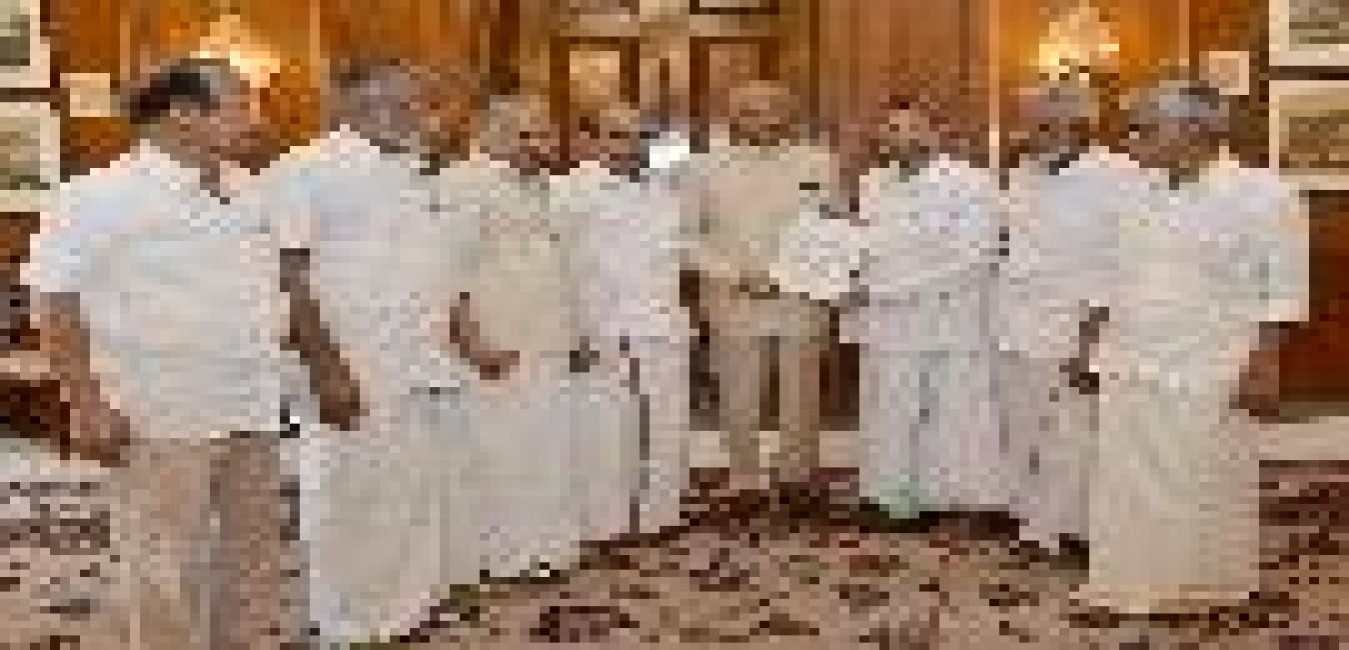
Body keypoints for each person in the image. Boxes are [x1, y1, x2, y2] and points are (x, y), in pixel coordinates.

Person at [25, 58, 306, 649]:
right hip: (160, 410)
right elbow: (53, 302)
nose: (256, 118)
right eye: (240, 103)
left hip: (253, 403)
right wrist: (85, 404)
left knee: (254, 552)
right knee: (164, 562)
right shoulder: (98, 196)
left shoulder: (248, 188)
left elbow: (270, 283)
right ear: (183, 114)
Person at [256, 60, 486, 643]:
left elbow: (434, 267)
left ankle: (408, 605)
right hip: (349, 362)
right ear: (352, 107)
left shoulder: (412, 172)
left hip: (416, 358)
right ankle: (349, 621)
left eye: (419, 103)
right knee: (348, 491)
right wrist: (326, 369)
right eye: (402, 105)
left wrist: (459, 340)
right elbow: (286, 273)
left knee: (409, 487)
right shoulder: (306, 169)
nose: (418, 116)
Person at [1079, 78, 1308, 614]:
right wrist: (1089, 339)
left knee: (1202, 476)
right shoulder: (1135, 191)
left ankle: (1203, 586)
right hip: (1130, 356)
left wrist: (1265, 365)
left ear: (1195, 130)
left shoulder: (1264, 195)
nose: (1133, 140)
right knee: (1126, 479)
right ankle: (1128, 583)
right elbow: (1110, 273)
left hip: (1210, 362)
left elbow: (1284, 289)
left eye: (1147, 129)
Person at [447, 94, 596, 579]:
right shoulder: (462, 183)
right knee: (499, 452)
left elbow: (565, 266)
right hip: (496, 343)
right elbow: (448, 274)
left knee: (549, 448)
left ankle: (547, 550)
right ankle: (502, 558)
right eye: (526, 134)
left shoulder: (543, 186)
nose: (539, 145)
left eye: (544, 134)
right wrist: (473, 343)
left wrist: (576, 333)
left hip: (548, 340)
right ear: (490, 132)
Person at [844, 102, 1007, 520]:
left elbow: (973, 259)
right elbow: (866, 246)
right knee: (887, 410)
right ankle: (888, 499)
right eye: (891, 129)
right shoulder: (873, 182)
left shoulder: (971, 183)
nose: (902, 138)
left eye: (912, 128)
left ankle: (945, 501)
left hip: (946, 320)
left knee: (947, 415)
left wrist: (885, 291)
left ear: (937, 131)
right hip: (883, 323)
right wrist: (840, 269)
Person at [998, 80, 1137, 557]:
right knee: (1023, 430)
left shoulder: (1119, 175)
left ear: (1077, 125)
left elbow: (1119, 262)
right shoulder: (1022, 173)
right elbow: (1012, 241)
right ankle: (1032, 522)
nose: (1029, 135)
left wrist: (1091, 341)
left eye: (1041, 125)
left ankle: (1070, 530)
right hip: (1016, 323)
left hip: (1078, 325)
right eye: (1029, 124)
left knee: (1074, 433)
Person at [686, 80, 837, 492]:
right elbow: (685, 238)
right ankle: (744, 478)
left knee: (801, 398)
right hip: (734, 298)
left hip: (801, 300)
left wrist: (810, 270)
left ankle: (796, 479)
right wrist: (736, 274)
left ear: (788, 115)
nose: (761, 119)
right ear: (732, 116)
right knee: (738, 397)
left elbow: (831, 227)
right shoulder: (702, 167)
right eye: (749, 111)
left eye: (771, 109)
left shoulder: (818, 162)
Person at [564, 103, 693, 538]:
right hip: (610, 329)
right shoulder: (571, 191)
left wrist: (742, 273)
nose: (629, 145)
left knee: (666, 424)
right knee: (611, 431)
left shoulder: (661, 187)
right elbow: (566, 267)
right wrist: (578, 331)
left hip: (665, 324)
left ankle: (659, 516)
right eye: (617, 135)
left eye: (639, 136)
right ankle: (610, 523)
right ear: (593, 140)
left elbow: (680, 250)